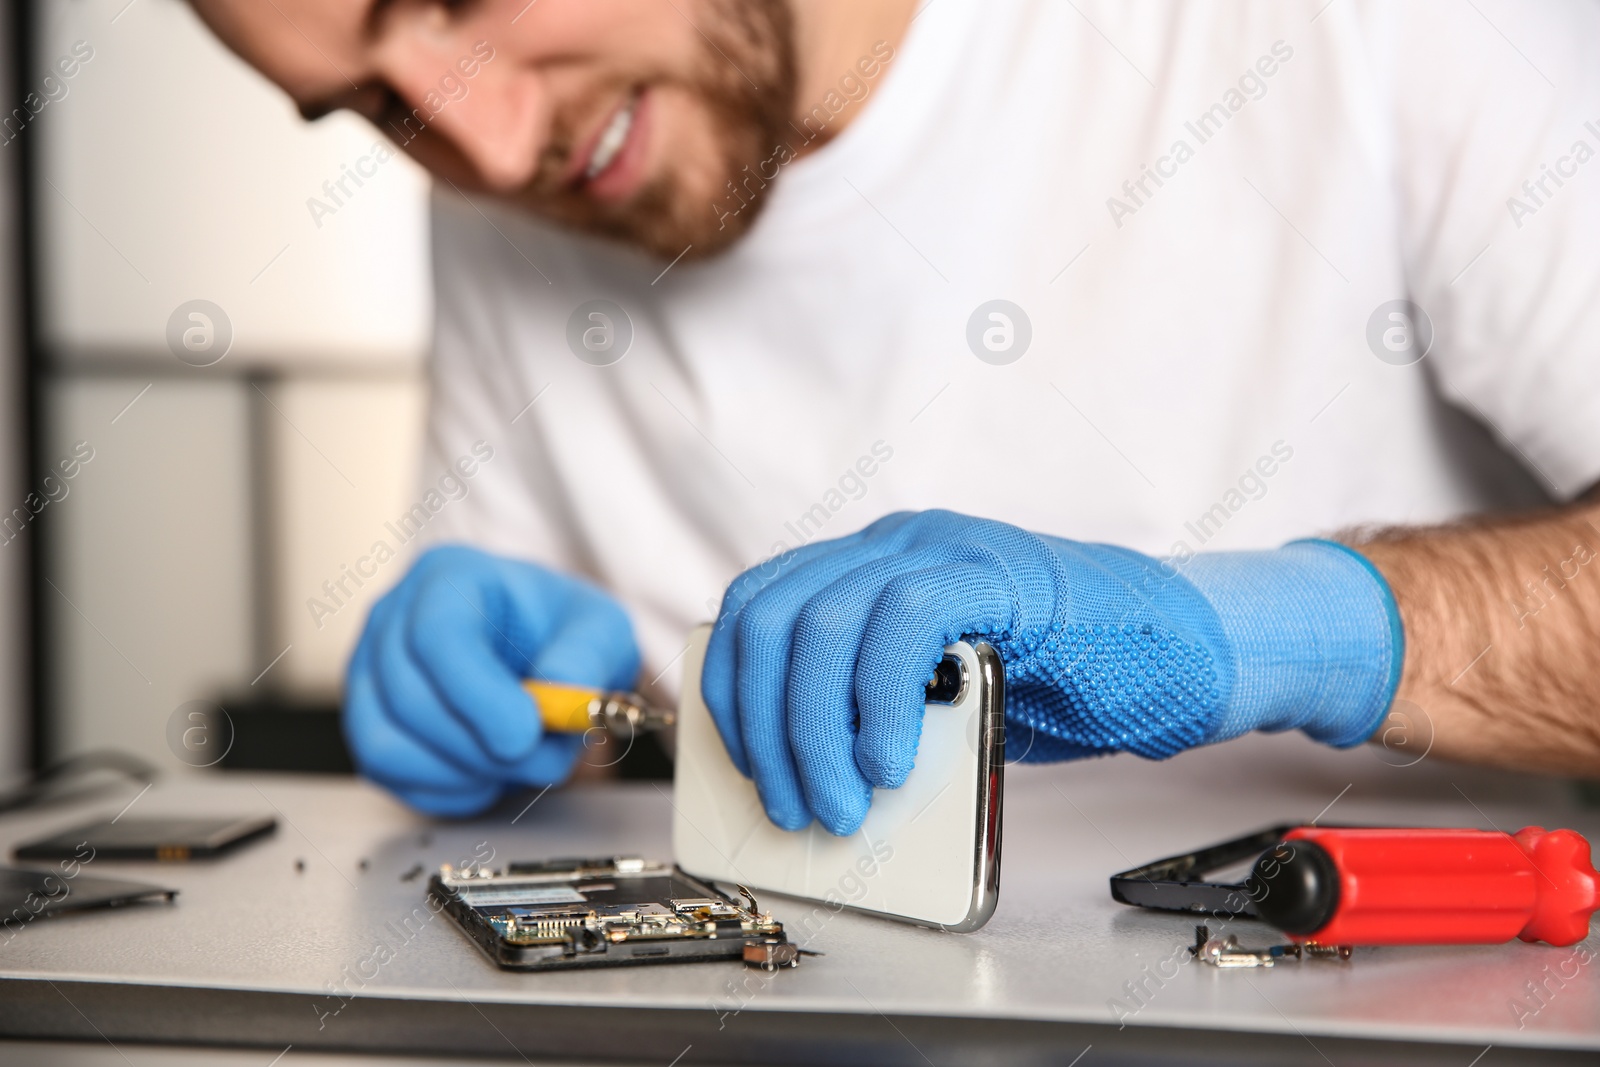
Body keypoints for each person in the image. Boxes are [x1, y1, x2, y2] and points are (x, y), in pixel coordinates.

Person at [191, 0, 1600, 828]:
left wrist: (1289, 639)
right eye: (380, 106)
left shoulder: (1370, 32)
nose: (490, 144)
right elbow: (610, 738)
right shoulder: (521, 183)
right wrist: (541, 728)